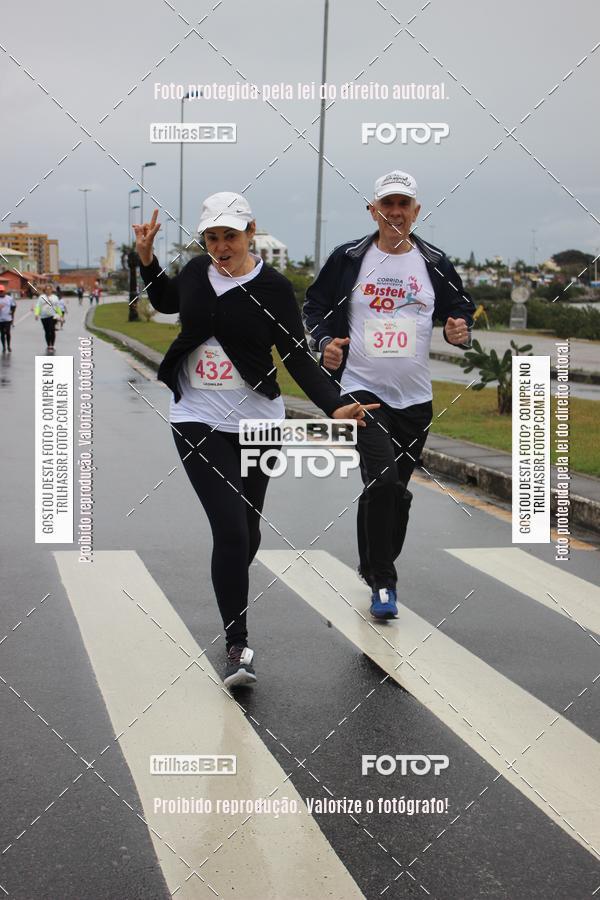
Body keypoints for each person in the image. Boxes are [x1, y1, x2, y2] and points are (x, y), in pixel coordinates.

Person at [134, 194, 378, 689]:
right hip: (196, 417)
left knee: (249, 530)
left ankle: (230, 584)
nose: (221, 246)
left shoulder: (273, 287)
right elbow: (164, 300)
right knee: (231, 531)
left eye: (230, 236)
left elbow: (296, 356)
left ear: (250, 232)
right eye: (212, 237)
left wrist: (335, 404)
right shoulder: (198, 273)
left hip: (258, 423)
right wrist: (147, 260)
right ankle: (237, 642)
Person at [303, 170, 475, 621]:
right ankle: (384, 580)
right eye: (387, 204)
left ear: (416, 211)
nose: (395, 212)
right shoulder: (349, 258)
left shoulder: (434, 261)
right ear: (373, 210)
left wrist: (460, 331)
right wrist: (325, 342)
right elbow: (314, 306)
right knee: (381, 482)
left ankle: (372, 563)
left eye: (404, 205)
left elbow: (459, 308)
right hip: (363, 391)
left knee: (394, 493)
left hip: (415, 399)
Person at [34, 285, 62, 353]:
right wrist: (37, 314)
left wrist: (61, 315)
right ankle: (48, 344)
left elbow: (58, 306)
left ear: (51, 290)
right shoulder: (41, 297)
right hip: (44, 316)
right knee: (46, 331)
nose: (48, 291)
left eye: (49, 289)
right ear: (45, 290)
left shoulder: (55, 297)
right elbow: (38, 306)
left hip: (53, 316)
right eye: (47, 289)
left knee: (51, 329)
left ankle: (52, 345)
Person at [0, 286, 16, 352]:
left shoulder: (9, 298)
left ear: (5, 291)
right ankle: (4, 347)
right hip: (0, 319)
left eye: (2, 291)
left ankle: (9, 346)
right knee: (2, 333)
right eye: (0, 291)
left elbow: (14, 306)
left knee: (7, 332)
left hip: (8, 319)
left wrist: (11, 312)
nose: (1, 293)